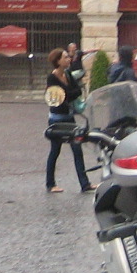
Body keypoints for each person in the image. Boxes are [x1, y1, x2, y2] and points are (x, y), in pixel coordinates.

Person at [44, 48, 92, 193]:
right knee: (55, 150)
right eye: (65, 57)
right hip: (57, 119)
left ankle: (85, 184)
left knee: (77, 149)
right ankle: (50, 184)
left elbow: (76, 91)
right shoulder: (51, 78)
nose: (69, 59)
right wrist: (69, 94)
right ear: (57, 61)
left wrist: (68, 94)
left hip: (69, 116)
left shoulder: (68, 74)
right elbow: (59, 98)